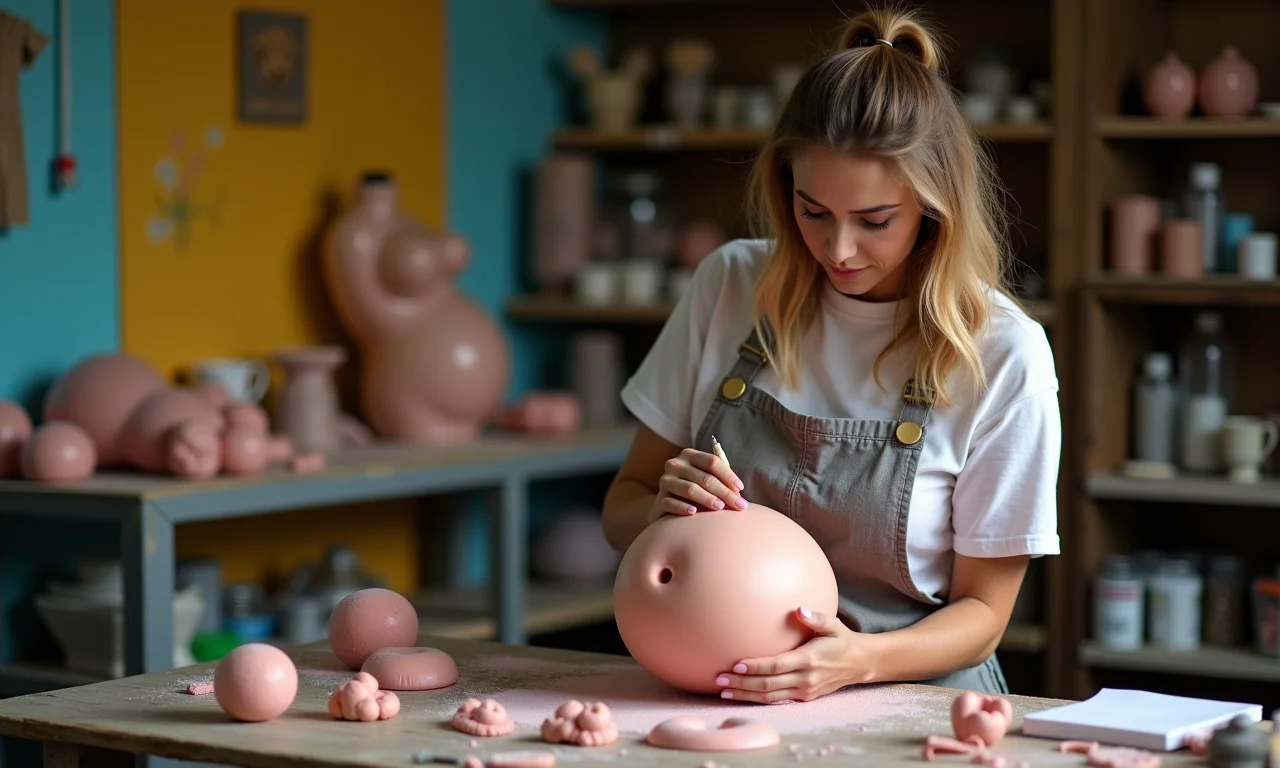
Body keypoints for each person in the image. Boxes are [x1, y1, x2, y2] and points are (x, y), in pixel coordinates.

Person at [600, 6, 1061, 703]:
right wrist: (663, 509)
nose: (838, 251)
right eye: (814, 212)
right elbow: (620, 510)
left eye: (875, 221)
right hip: (728, 700)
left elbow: (985, 617)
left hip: (912, 702)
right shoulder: (731, 284)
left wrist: (857, 661)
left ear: (936, 207)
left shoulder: (1001, 353)